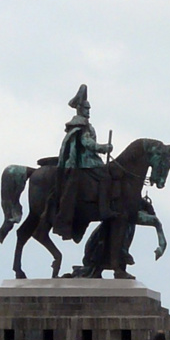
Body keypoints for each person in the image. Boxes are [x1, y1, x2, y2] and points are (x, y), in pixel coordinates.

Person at [52, 84, 116, 239]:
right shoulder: (81, 124)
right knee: (106, 177)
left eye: (89, 109)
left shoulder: (85, 124)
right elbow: (87, 143)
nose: (88, 112)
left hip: (90, 160)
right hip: (85, 162)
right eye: (86, 109)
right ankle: (104, 209)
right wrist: (103, 148)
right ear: (80, 109)